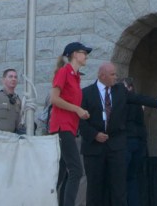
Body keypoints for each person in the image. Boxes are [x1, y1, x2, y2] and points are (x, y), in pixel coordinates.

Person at [78, 62, 157, 206]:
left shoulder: (120, 91)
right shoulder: (86, 93)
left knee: (119, 187)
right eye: (112, 74)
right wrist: (94, 134)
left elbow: (139, 98)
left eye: (116, 74)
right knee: (95, 188)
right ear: (102, 75)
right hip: (94, 148)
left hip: (116, 146)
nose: (116, 77)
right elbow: (79, 121)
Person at [49, 42, 92, 206]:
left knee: (62, 173)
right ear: (74, 54)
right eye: (84, 52)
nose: (86, 56)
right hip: (62, 127)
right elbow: (54, 98)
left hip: (69, 128)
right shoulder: (64, 72)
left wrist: (80, 111)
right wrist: (77, 109)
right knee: (76, 170)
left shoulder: (75, 76)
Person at [122, 77, 147, 206]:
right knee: (132, 178)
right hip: (137, 142)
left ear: (130, 87)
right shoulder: (138, 102)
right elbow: (141, 124)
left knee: (122, 178)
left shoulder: (123, 102)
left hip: (127, 142)